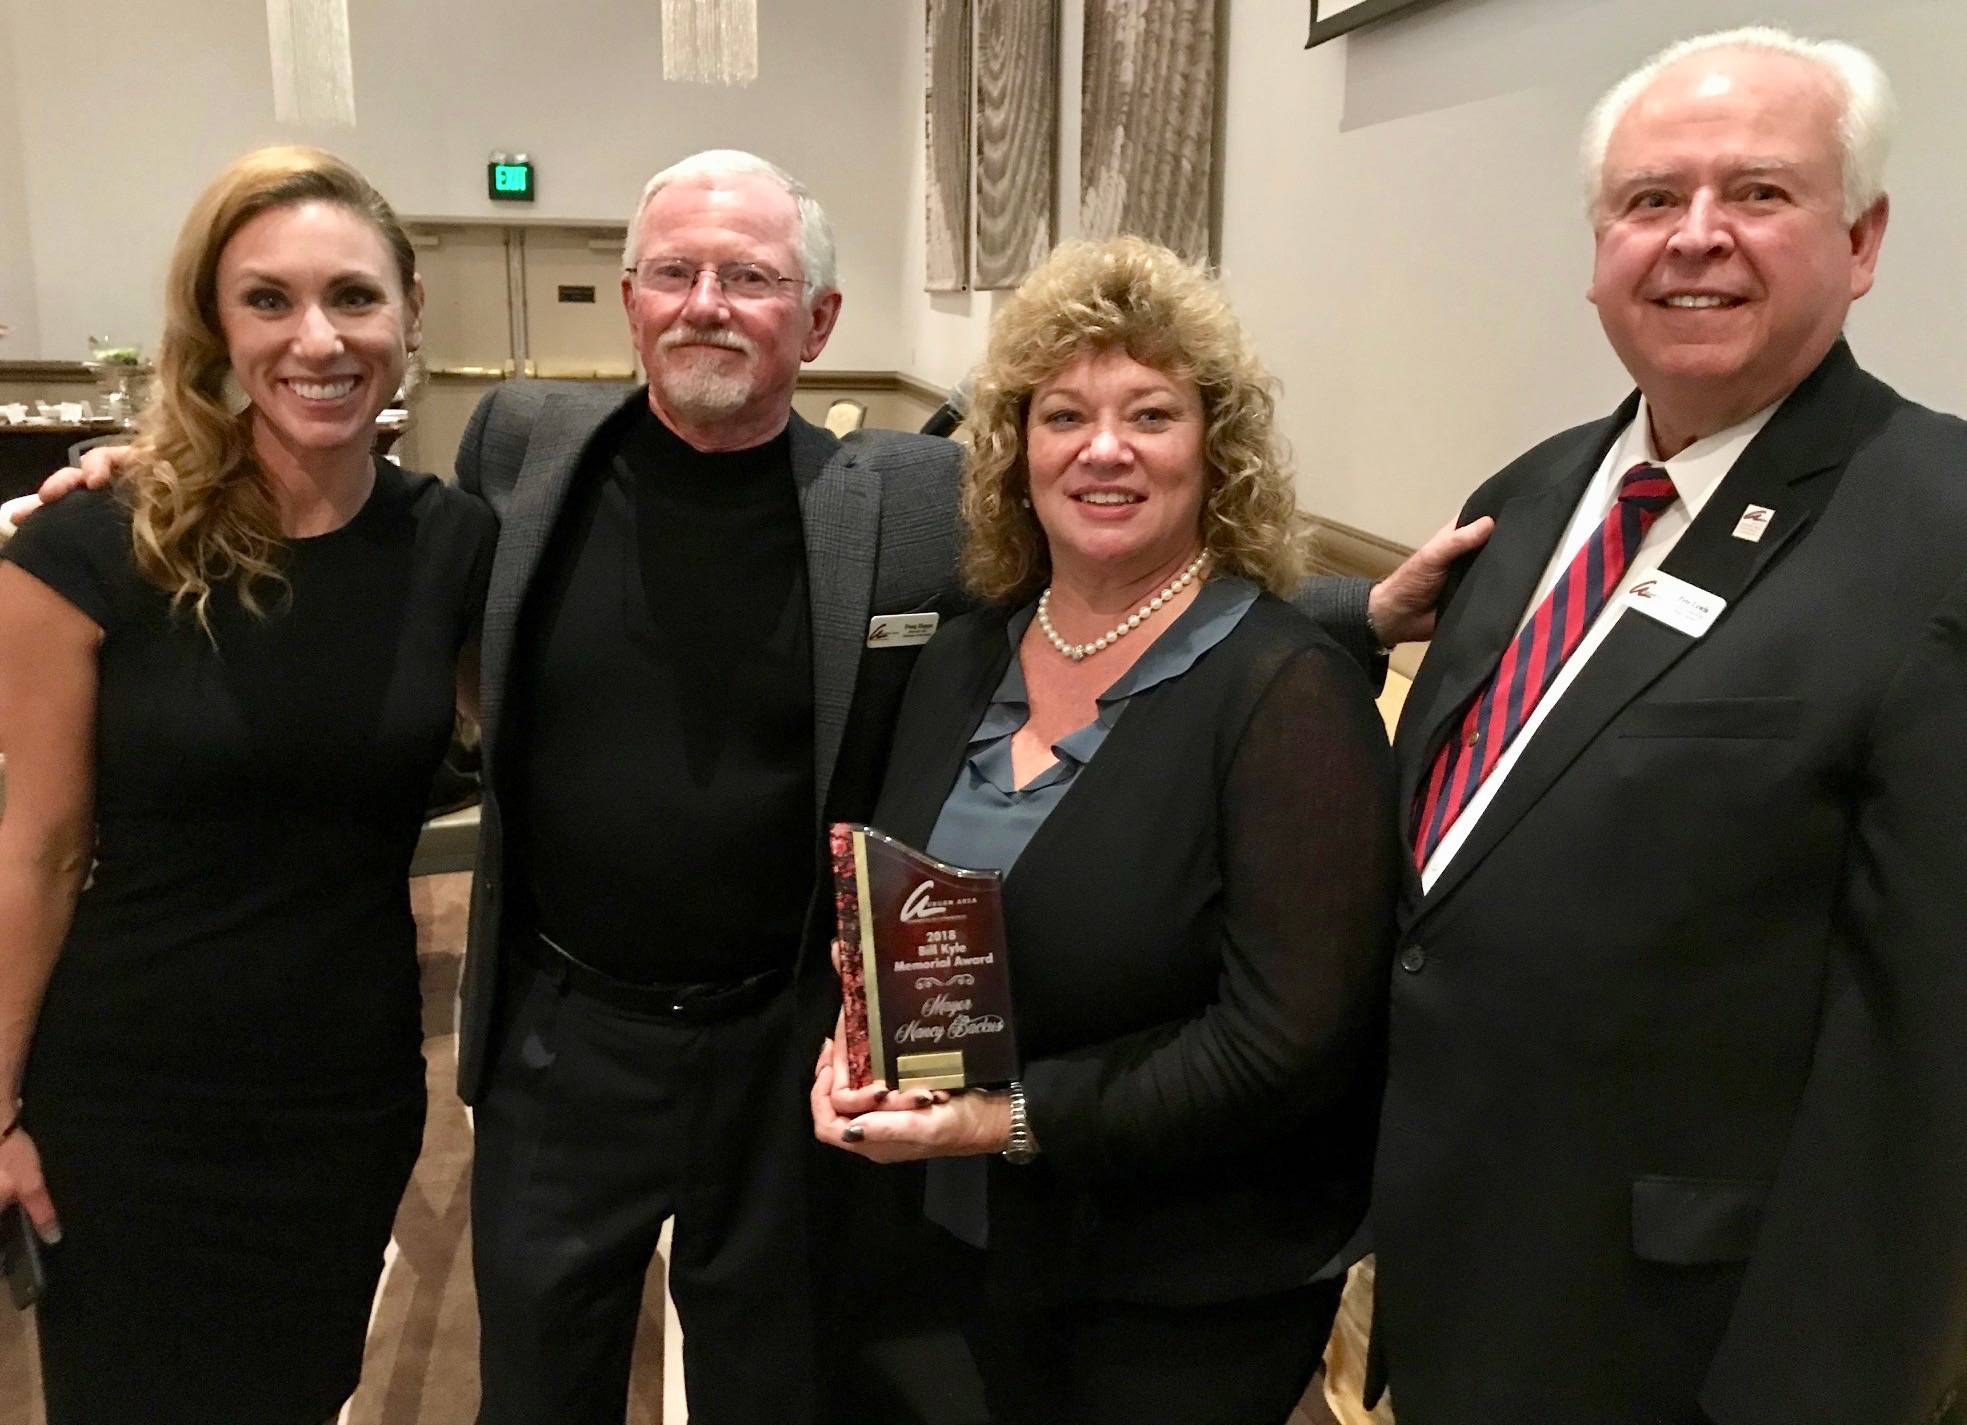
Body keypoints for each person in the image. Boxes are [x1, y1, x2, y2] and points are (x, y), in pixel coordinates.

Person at [30, 148, 1483, 1423]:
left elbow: (1118, 558)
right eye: (673, 272)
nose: (706, 304)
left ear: (819, 321)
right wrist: (148, 476)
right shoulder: (524, 452)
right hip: (561, 1040)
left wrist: (1349, 611)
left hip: (782, 1043)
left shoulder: (906, 501)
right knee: (536, 1386)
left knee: (774, 1385)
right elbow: (339, 555)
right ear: (629, 297)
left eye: (750, 277)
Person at [1370, 28, 1967, 1425]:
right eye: (1648, 200)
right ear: (1598, 251)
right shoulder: (1522, 502)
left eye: (1757, 192)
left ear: (1860, 240)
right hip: (1463, 1284)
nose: (1694, 237)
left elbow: (1926, 1056)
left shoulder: (1939, 531)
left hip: (1694, 1341)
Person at [810, 236, 1400, 1425]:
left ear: (1216, 450)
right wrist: (860, 1037)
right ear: (1015, 451)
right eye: (1064, 414)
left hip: (1180, 1284)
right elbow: (907, 899)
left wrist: (1005, 1119)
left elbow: (1285, 1044)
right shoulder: (966, 652)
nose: (1104, 448)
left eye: (1150, 413)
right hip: (957, 1243)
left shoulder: (1287, 692)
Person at [0, 146, 494, 1424]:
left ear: (409, 315)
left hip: (343, 1094)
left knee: (302, 1393)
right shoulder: (89, 545)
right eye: (268, 299)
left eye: (354, 296)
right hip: (129, 1102)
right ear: (215, 325)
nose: (316, 339)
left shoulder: (450, 542)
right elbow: (38, 851)